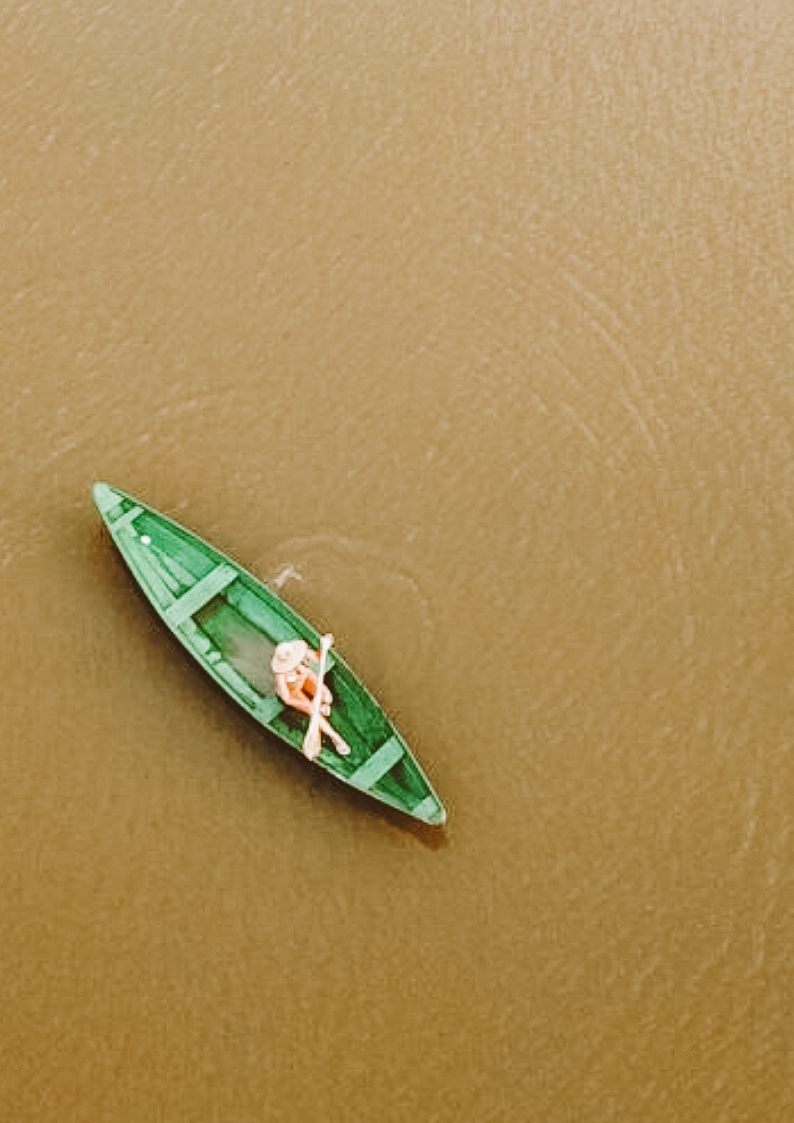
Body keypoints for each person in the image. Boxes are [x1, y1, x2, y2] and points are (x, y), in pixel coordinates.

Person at [270, 637, 351, 759]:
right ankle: (336, 738)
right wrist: (309, 706)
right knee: (313, 711)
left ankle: (321, 707)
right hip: (293, 692)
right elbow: (287, 698)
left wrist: (324, 647)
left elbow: (317, 657)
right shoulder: (280, 675)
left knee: (328, 697)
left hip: (304, 679)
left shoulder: (298, 653)